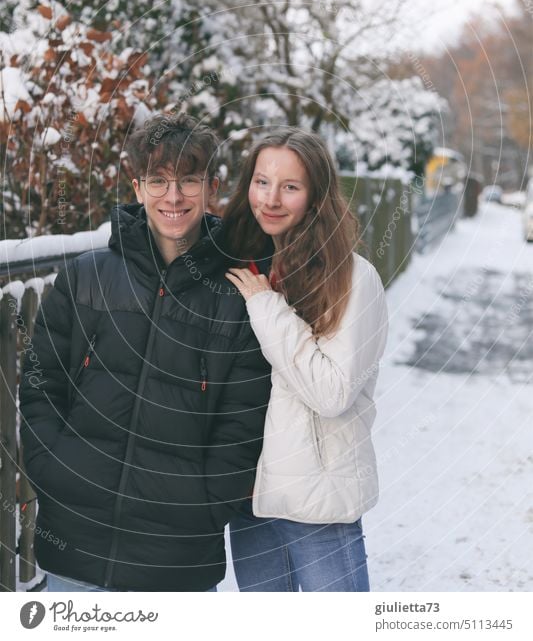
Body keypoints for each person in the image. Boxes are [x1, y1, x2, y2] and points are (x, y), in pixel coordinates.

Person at [19, 113, 271, 592]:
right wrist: (54, 469)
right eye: (158, 181)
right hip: (74, 547)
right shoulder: (86, 277)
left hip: (175, 563)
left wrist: (203, 504)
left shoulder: (239, 297)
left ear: (211, 186)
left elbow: (245, 422)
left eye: (188, 181)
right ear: (137, 187)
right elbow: (39, 384)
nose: (172, 197)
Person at [223, 128, 388, 592]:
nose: (270, 199)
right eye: (261, 182)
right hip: (250, 500)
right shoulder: (241, 265)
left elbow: (331, 392)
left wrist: (267, 307)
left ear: (316, 196)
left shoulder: (353, 278)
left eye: (290, 187)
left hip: (317, 499)